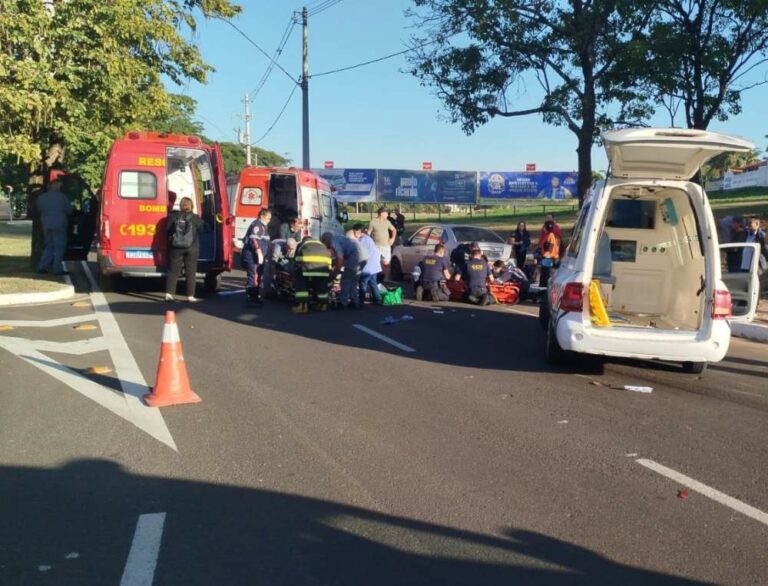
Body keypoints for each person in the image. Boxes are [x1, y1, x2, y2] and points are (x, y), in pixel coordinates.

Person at [165, 196, 206, 302]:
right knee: (191, 272)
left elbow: (167, 230)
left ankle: (169, 294)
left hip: (176, 248)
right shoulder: (195, 218)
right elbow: (202, 231)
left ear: (181, 205)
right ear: (191, 206)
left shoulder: (174, 216)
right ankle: (190, 296)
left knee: (173, 270)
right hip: (192, 248)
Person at [35, 179, 72, 275]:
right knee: (59, 246)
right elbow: (69, 210)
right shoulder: (62, 197)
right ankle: (57, 269)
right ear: (56, 186)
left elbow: (39, 210)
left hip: (46, 224)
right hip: (59, 223)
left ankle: (42, 266)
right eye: (59, 185)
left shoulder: (41, 198)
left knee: (49, 245)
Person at [293, 236, 333, 312]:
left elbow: (296, 259)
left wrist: (296, 269)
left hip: (309, 267)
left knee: (301, 282)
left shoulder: (302, 244)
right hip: (324, 268)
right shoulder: (321, 244)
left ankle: (302, 306)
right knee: (321, 285)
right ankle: (322, 305)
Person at [322, 231, 360, 309]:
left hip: (354, 256)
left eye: (324, 243)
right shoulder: (338, 239)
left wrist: (334, 274)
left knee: (345, 280)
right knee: (353, 281)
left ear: (326, 240)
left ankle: (343, 303)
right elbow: (337, 260)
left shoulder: (334, 242)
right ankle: (355, 302)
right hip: (361, 255)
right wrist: (335, 269)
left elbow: (340, 259)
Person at [242, 208, 272, 304]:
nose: (269, 220)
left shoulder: (263, 226)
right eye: (268, 218)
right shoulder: (257, 225)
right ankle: (251, 297)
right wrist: (258, 251)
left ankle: (255, 296)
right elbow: (254, 240)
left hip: (260, 255)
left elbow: (266, 241)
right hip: (253, 255)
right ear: (262, 216)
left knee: (258, 275)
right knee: (254, 275)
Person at [354, 223, 383, 306]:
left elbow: (361, 254)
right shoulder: (368, 238)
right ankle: (378, 299)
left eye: (355, 231)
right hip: (374, 266)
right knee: (373, 283)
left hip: (367, 267)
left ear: (359, 231)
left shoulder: (363, 240)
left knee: (362, 284)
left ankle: (361, 301)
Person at [368, 207, 396, 281]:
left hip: (386, 246)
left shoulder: (387, 222)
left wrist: (392, 239)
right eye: (386, 213)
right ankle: (375, 278)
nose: (387, 214)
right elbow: (368, 233)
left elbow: (394, 230)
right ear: (381, 213)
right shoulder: (373, 222)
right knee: (375, 263)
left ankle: (386, 278)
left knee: (386, 263)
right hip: (376, 246)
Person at [741, 217, 768, 294]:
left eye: (750, 224)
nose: (747, 226)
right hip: (745, 264)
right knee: (747, 284)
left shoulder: (761, 235)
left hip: (757, 265)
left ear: (757, 224)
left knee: (756, 285)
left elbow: (765, 249)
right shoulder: (746, 234)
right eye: (747, 224)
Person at [537, 219, 561, 288]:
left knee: (545, 274)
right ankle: (543, 287)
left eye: (544, 227)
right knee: (544, 274)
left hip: (548, 257)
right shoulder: (549, 235)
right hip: (549, 257)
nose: (543, 228)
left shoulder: (550, 235)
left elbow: (550, 247)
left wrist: (544, 255)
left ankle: (544, 289)